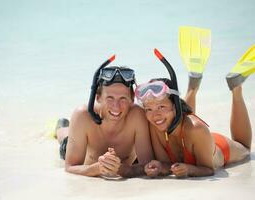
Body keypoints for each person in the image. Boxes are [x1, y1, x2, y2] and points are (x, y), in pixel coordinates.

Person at [135, 49, 253, 178]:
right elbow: (166, 164)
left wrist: (189, 169)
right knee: (180, 123)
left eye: (161, 107)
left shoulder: (197, 129)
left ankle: (236, 88)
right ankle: (193, 85)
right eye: (149, 109)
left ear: (175, 105)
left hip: (218, 146)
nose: (155, 115)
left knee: (245, 149)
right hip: (194, 138)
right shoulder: (155, 124)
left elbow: (209, 170)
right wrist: (160, 166)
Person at [55, 56, 154, 178]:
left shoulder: (138, 116)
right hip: (84, 157)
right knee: (65, 140)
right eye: (110, 98)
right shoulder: (83, 115)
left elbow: (147, 166)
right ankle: (62, 126)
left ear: (132, 99)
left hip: (123, 165)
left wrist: (123, 169)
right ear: (98, 98)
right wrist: (96, 169)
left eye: (123, 98)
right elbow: (70, 167)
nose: (116, 107)